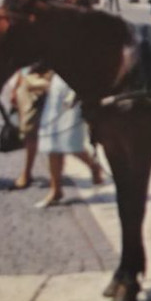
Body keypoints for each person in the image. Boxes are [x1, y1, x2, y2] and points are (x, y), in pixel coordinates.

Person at [30, 62, 106, 208]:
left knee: (70, 142)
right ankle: (56, 190)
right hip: (57, 87)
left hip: (75, 91)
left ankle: (94, 166)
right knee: (51, 143)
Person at [0, 65, 50, 190]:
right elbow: (22, 66)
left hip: (38, 86)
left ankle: (27, 173)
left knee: (30, 132)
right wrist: (16, 88)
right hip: (25, 85)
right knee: (28, 131)